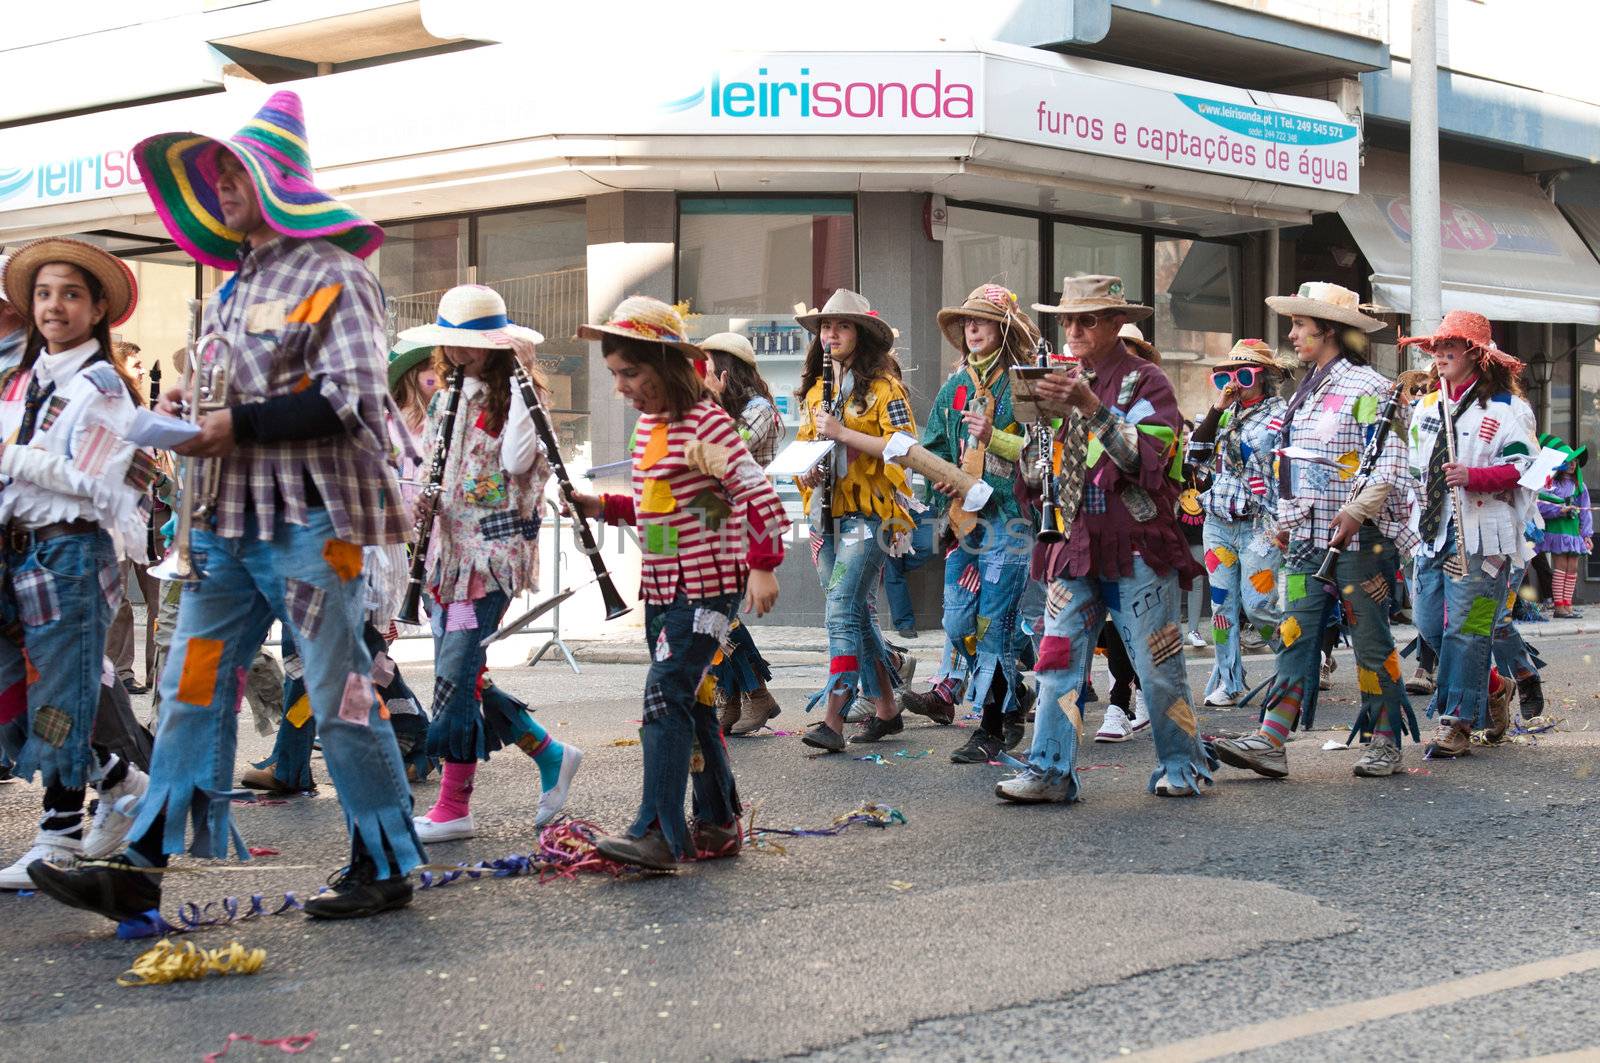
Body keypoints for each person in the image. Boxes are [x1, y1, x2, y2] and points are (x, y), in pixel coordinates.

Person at [29, 91, 423, 922]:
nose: (221, 184)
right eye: (214, 175)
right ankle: (140, 866)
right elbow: (222, 400)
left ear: (278, 180)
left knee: (341, 686)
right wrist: (180, 410)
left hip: (320, 531)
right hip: (225, 536)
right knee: (188, 685)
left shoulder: (334, 274)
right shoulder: (235, 288)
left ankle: (386, 861)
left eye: (234, 170)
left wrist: (228, 422)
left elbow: (350, 398)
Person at [570, 296, 788, 870]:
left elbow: (756, 496)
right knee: (689, 704)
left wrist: (762, 564)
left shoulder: (707, 421)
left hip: (706, 589)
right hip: (663, 587)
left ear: (666, 365)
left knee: (664, 695)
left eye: (632, 373)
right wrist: (604, 505)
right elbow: (665, 508)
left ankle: (658, 833)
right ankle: (716, 824)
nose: (622, 386)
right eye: (615, 374)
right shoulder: (651, 427)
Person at [996, 275, 1211, 802]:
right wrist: (1032, 436)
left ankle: (1182, 765)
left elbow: (1147, 462)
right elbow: (1032, 472)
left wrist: (1090, 405)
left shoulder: (1149, 381)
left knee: (1157, 666)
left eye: (1085, 319)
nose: (1072, 329)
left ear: (1117, 324)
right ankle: (1049, 771)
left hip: (1136, 547)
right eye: (1066, 319)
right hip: (1073, 544)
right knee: (1056, 661)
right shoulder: (1058, 379)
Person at [400, 284, 583, 842]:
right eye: (452, 343)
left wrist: (524, 389)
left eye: (473, 343)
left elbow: (515, 462)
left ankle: (454, 807)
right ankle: (550, 754)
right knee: (465, 674)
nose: (459, 353)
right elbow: (429, 463)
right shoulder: (442, 397)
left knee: (454, 677)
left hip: (489, 557)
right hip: (441, 552)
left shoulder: (519, 398)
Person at [1212, 283, 1416, 781]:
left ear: (1328, 330)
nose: (1292, 333)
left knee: (1370, 637)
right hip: (1306, 539)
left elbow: (1388, 462)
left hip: (1361, 541)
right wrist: (1284, 524)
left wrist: (1357, 511)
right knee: (1294, 631)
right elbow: (1288, 467)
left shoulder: (1369, 388)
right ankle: (1271, 739)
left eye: (1301, 325)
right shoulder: (1308, 390)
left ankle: (1386, 740)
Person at [0, 238, 154, 890]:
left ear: (96, 310)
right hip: (20, 551)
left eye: (69, 294)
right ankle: (121, 780)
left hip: (69, 552)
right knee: (14, 695)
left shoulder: (103, 388)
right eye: (43, 294)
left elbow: (104, 486)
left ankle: (57, 839)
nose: (53, 306)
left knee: (60, 696)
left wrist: (10, 457)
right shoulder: (32, 378)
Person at [897, 285, 1039, 762]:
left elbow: (1043, 456)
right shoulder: (954, 387)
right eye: (966, 323)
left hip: (1011, 522)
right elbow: (934, 444)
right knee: (959, 625)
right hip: (964, 525)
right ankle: (1017, 688)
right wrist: (939, 477)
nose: (971, 329)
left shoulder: (1023, 385)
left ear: (1003, 329)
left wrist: (993, 436)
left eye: (981, 321)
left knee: (993, 626)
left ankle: (992, 728)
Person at [1398, 313, 1539, 757]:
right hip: (1432, 533)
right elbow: (1412, 466)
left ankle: (1456, 722)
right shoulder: (1426, 406)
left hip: (1486, 538)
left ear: (1476, 354)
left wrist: (1475, 475)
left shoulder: (1508, 410)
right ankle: (1494, 687)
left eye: (1450, 348)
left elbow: (1527, 468)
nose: (1439, 356)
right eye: (1435, 349)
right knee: (1427, 623)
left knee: (1471, 628)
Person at [791, 290, 919, 752]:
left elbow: (905, 448)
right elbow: (808, 445)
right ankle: (886, 706)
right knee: (854, 612)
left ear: (861, 336)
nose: (831, 335)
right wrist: (806, 468)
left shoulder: (886, 388)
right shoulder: (812, 392)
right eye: (826, 327)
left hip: (872, 516)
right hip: (824, 515)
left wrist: (844, 434)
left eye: (842, 327)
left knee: (841, 608)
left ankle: (833, 719)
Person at [1185, 339, 1291, 708]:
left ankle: (1296, 664)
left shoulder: (1282, 415)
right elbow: (1193, 458)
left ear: (1265, 377)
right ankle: (1229, 679)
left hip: (1260, 523)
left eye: (1245, 374)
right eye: (1227, 375)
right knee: (1221, 606)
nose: (1236, 382)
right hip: (1217, 521)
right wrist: (1218, 409)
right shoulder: (1222, 415)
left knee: (1259, 604)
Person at [700, 331, 785, 736]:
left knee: (723, 613)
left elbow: (727, 453)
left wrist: (711, 406)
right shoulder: (718, 407)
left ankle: (755, 693)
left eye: (707, 364)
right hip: (711, 517)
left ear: (725, 368)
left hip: (744, 516)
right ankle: (732, 697)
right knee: (716, 612)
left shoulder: (759, 409)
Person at [1536, 435, 1590, 618]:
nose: (1573, 464)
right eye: (1568, 461)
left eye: (1575, 461)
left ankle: (1568, 605)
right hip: (1558, 529)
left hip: (1573, 531)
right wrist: (1560, 510)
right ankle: (1559, 606)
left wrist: (1586, 534)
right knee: (1560, 566)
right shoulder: (1550, 484)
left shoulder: (1580, 485)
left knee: (1572, 568)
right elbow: (1540, 504)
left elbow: (1586, 511)